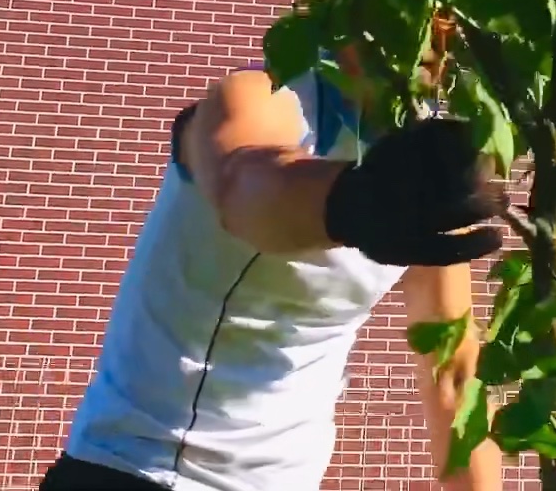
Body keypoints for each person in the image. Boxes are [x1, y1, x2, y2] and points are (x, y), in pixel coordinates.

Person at [37, 27, 507, 491]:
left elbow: (453, 372)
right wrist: (352, 200)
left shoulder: (430, 172)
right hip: (142, 469)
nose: (436, 30)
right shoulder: (267, 96)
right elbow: (244, 188)